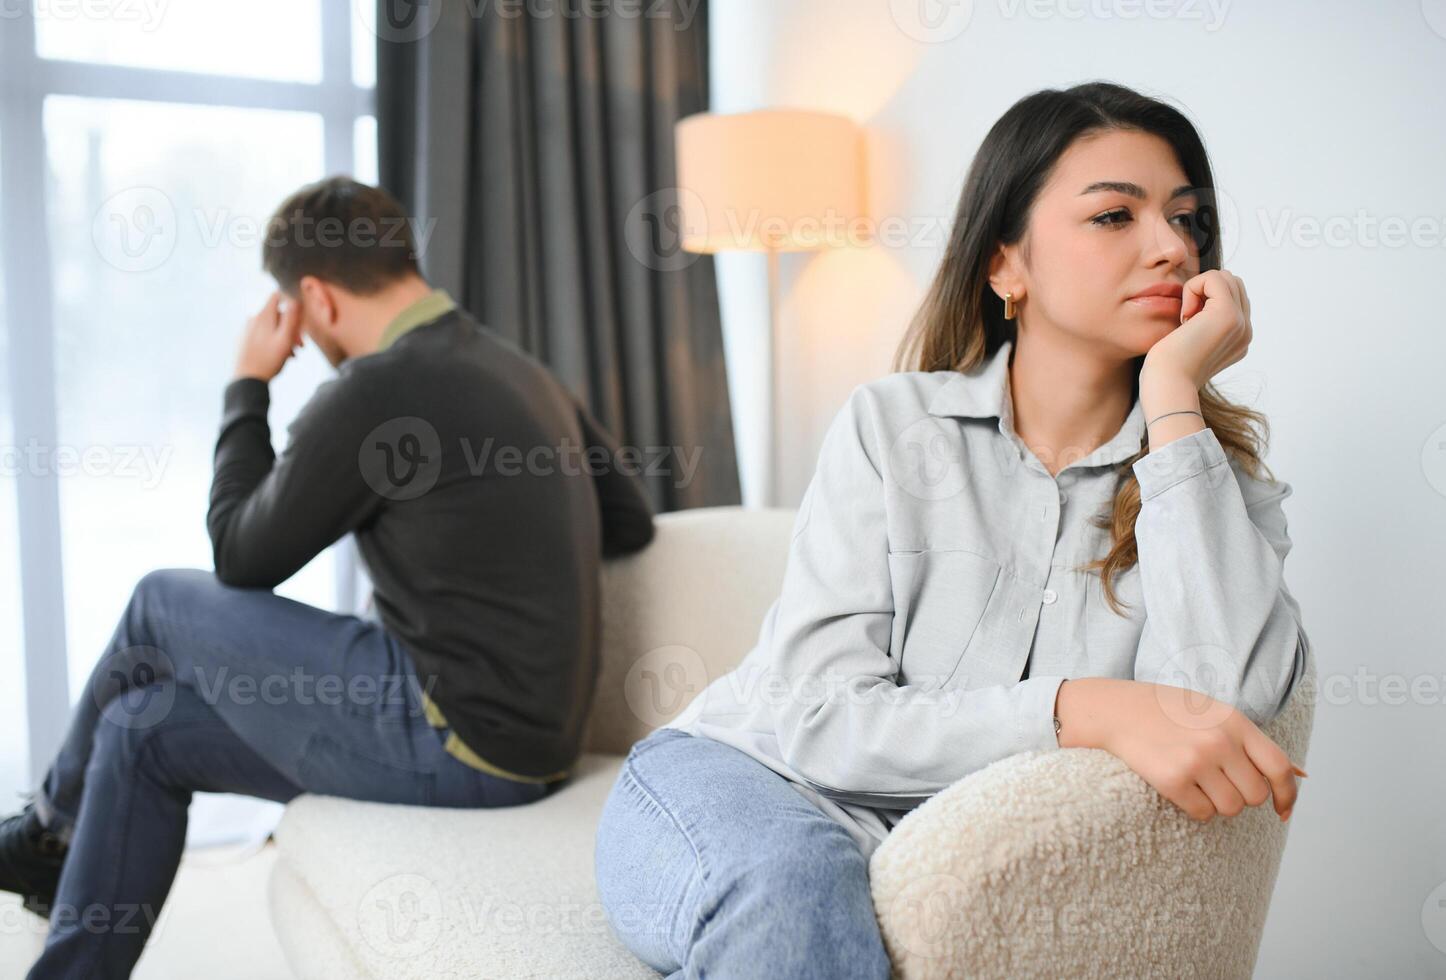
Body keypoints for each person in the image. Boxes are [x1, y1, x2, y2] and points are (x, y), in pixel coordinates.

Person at [593, 80, 1310, 979]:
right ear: (1005, 263)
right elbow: (820, 724)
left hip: (951, 861)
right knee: (796, 892)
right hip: (743, 780)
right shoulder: (891, 428)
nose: (1171, 248)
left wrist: (1171, 400)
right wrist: (1079, 707)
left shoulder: (1210, 483)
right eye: (1113, 217)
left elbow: (1222, 711)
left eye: (1186, 219)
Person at [0, 176, 656, 978]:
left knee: (158, 601)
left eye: (298, 316)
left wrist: (248, 386)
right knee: (143, 726)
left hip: (458, 740)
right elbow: (631, 521)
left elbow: (240, 557)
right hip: (529, 744)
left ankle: (45, 834)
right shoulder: (521, 370)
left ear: (314, 295)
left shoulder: (375, 391)